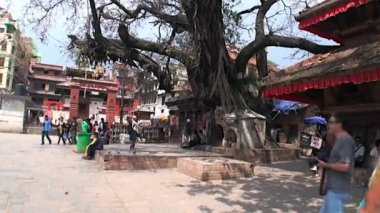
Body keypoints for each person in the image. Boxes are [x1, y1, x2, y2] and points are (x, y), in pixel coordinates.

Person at [317, 113, 355, 213]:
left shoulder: (346, 140)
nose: (328, 124)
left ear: (339, 124)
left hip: (337, 190)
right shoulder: (338, 140)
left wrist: (326, 165)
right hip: (332, 189)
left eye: (331, 122)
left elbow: (345, 166)